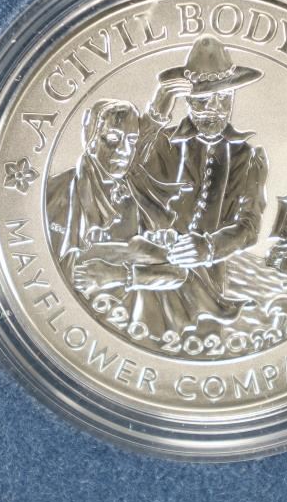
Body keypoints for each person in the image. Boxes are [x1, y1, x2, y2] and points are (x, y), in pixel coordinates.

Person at [133, 34, 269, 333]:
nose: (215, 108)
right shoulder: (161, 142)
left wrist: (209, 248)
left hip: (209, 287)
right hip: (149, 277)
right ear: (187, 100)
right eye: (204, 98)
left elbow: (249, 226)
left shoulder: (248, 156)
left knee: (203, 340)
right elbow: (123, 170)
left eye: (224, 98)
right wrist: (156, 113)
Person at [46, 98, 189, 337]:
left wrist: (118, 274)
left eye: (131, 141)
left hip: (129, 323)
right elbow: (59, 268)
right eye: (113, 138)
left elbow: (178, 271)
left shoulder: (136, 196)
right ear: (91, 139)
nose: (124, 151)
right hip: (68, 321)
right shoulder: (58, 192)